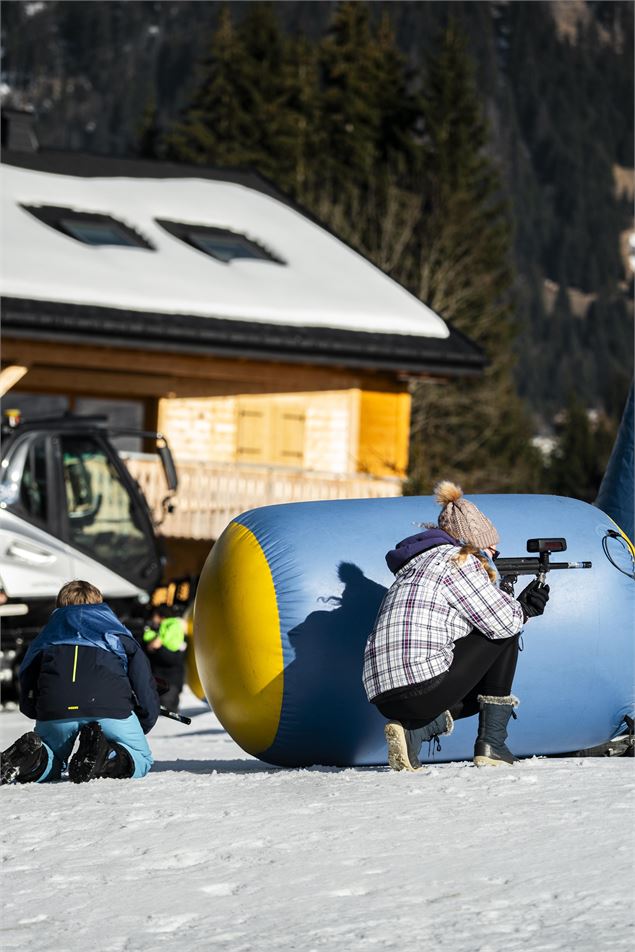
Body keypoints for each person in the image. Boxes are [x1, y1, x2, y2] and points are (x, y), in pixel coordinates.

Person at [362, 481, 550, 771]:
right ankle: (492, 745)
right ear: (472, 544)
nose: (494, 555)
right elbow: (503, 622)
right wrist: (524, 608)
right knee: (507, 631)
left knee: (480, 688)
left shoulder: (416, 565)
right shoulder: (459, 561)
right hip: (422, 686)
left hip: (383, 695)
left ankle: (414, 731)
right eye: (491, 548)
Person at [1, 580, 159, 786]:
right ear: (99, 604)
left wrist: (35, 710)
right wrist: (145, 718)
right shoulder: (117, 633)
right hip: (108, 707)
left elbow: (26, 675)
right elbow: (143, 680)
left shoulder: (46, 636)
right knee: (141, 757)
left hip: (55, 709)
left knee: (53, 759)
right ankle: (106, 756)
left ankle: (32, 760)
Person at [142, 606, 186, 712]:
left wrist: (158, 647)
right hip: (159, 682)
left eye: (154, 616)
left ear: (161, 616)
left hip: (170, 683)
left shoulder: (173, 631)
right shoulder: (158, 630)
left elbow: (172, 659)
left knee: (167, 711)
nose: (153, 619)